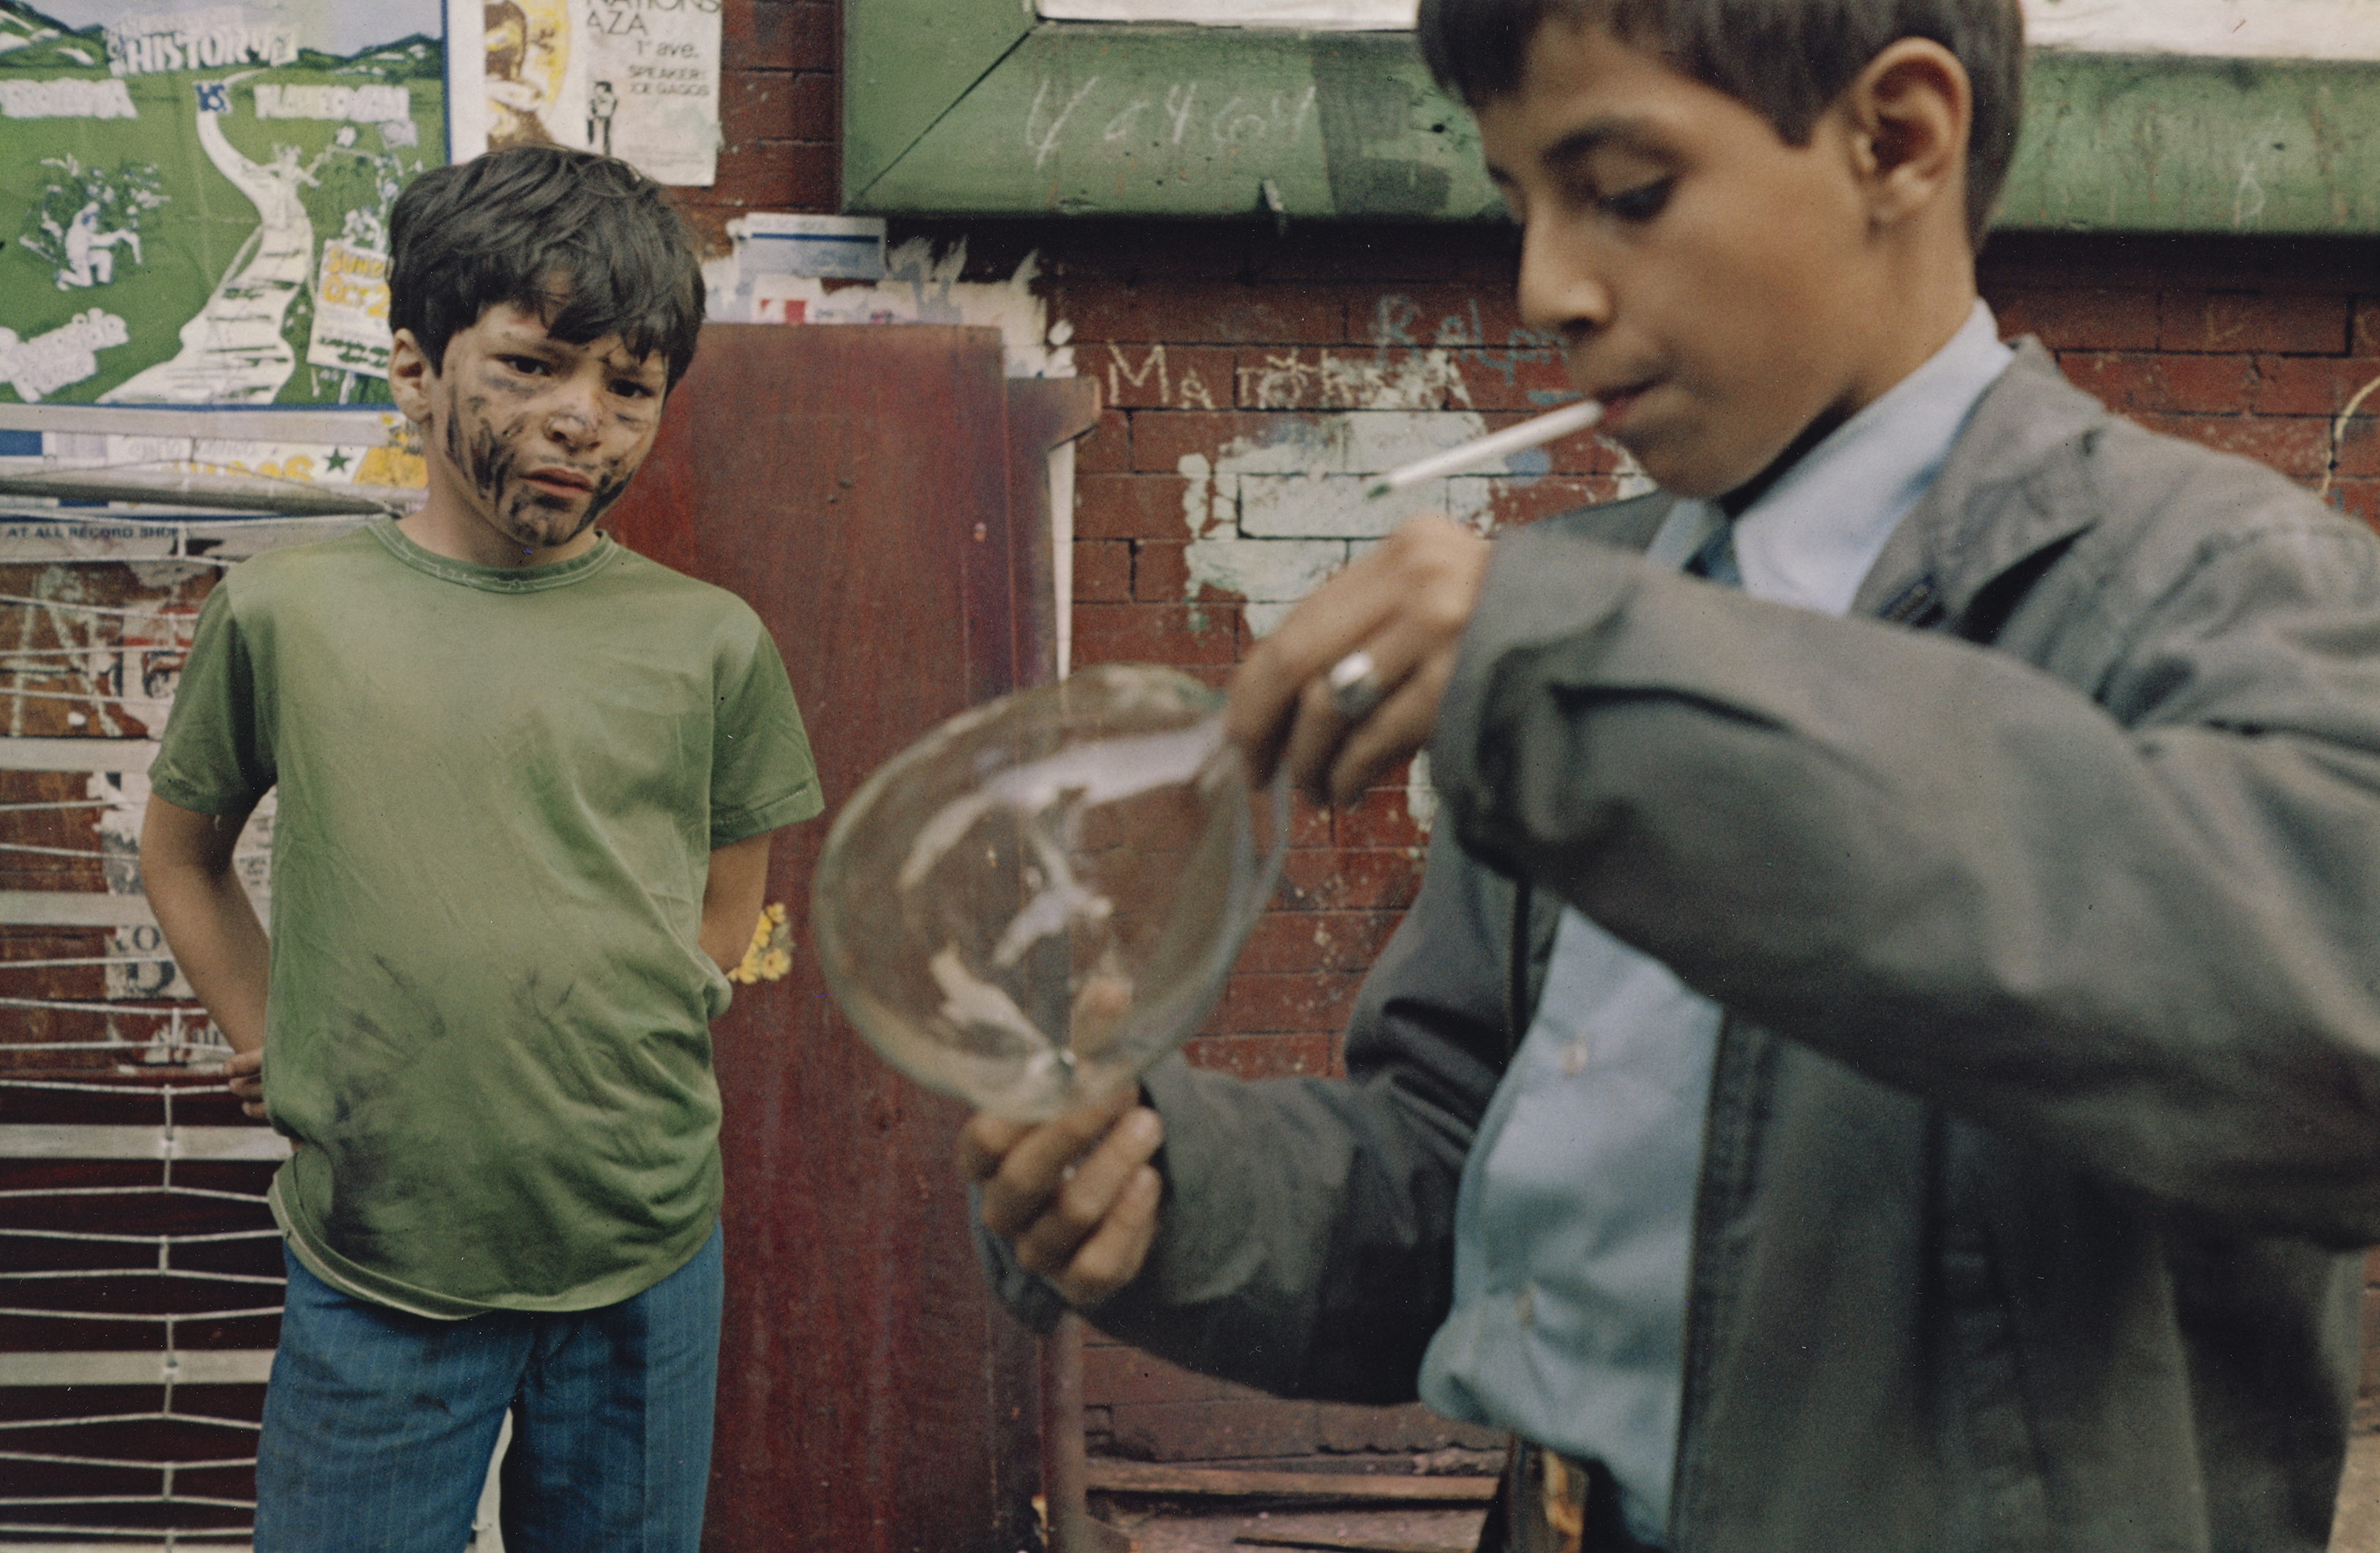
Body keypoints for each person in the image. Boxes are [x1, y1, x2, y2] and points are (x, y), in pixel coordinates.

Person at [962, 2, 2380, 1549]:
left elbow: (2324, 1037)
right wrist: (1177, 1193)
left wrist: (1591, 680)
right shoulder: (1578, 614)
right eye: (1520, 204)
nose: (1543, 289)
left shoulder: (2220, 583)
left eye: (1624, 192)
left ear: (1896, 139)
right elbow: (1471, 1182)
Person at [139, 144, 822, 1552]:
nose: (584, 419)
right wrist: (269, 1027)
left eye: (628, 388)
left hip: (642, 1246)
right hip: (380, 1251)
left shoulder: (708, 643)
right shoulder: (288, 614)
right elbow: (184, 851)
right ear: (414, 369)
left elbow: (728, 888)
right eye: (532, 366)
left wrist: (645, 1012)